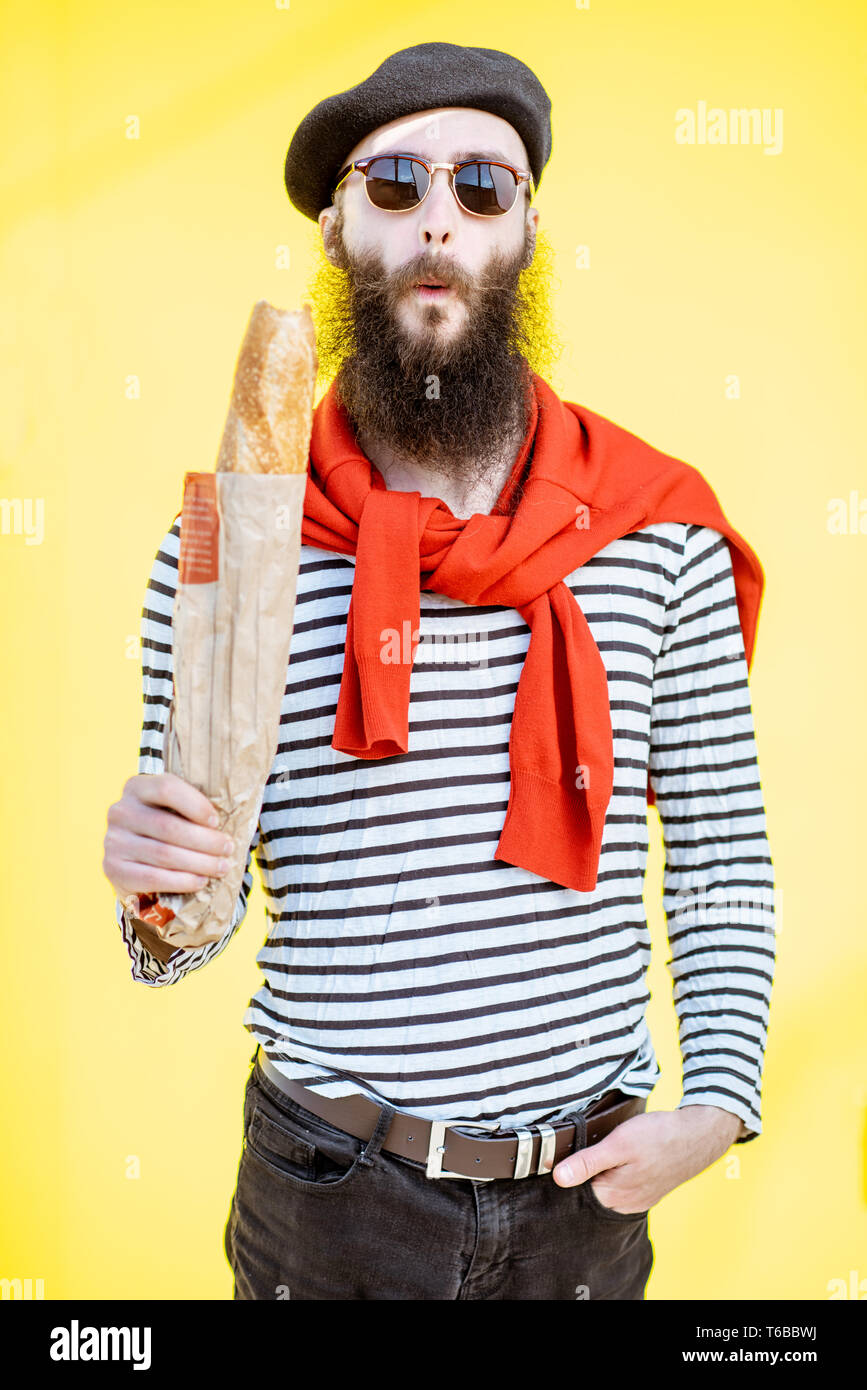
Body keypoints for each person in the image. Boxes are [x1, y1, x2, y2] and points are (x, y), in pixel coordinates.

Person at [102, 42, 776, 1301]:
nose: (438, 220)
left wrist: (722, 1102)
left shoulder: (658, 531)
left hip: (585, 1201)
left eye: (482, 187)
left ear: (526, 229)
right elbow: (185, 936)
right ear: (337, 223)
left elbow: (724, 849)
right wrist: (157, 888)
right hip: (328, 1198)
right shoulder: (226, 556)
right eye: (397, 179)